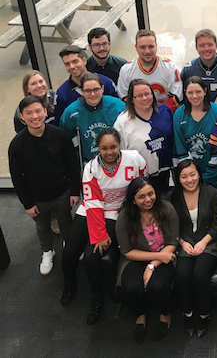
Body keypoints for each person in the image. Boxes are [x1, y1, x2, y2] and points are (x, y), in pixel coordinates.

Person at [60, 128, 147, 326]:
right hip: (93, 208)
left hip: (118, 212)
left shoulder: (134, 159)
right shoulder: (91, 168)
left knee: (92, 255)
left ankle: (97, 297)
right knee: (70, 251)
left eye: (114, 147)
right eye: (104, 148)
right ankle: (70, 283)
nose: (110, 152)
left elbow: (143, 185)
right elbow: (93, 203)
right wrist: (99, 234)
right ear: (98, 148)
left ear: (120, 145)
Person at [8, 95, 80, 275]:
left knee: (65, 221)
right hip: (36, 198)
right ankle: (48, 251)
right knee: (42, 227)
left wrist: (74, 191)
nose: (34, 116)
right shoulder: (17, 145)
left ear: (45, 111)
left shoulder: (60, 135)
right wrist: (27, 204)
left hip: (61, 192)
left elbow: (72, 164)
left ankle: (69, 245)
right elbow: (17, 177)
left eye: (38, 111)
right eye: (28, 113)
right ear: (22, 117)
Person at [116, 177, 178, 344]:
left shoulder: (167, 209)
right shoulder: (124, 217)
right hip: (136, 257)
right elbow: (127, 251)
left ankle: (165, 314)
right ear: (133, 200)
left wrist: (152, 265)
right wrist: (154, 258)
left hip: (165, 256)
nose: (148, 199)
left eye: (150, 194)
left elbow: (173, 242)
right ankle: (140, 315)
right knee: (130, 287)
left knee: (156, 287)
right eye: (141, 196)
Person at [167, 160, 217, 338]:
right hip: (184, 244)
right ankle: (188, 314)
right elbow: (169, 226)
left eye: (193, 174)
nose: (189, 179)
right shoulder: (172, 197)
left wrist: (204, 242)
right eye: (184, 176)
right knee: (182, 275)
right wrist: (181, 242)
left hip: (209, 243)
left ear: (199, 174)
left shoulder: (212, 193)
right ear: (178, 178)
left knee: (200, 274)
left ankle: (204, 315)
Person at [114, 79, 174, 195]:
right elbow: (120, 155)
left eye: (147, 94)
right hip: (139, 178)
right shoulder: (122, 122)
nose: (145, 98)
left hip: (166, 174)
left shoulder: (164, 111)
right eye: (139, 96)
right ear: (131, 98)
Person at [60, 73, 126, 165]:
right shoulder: (71, 112)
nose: (92, 94)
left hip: (118, 159)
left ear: (102, 89)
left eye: (96, 89)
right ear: (81, 91)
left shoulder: (118, 105)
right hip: (89, 163)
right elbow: (65, 140)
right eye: (87, 91)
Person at [173, 76, 217, 187]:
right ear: (185, 93)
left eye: (198, 92)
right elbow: (179, 146)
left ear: (205, 91)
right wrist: (190, 176)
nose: (194, 96)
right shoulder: (179, 114)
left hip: (213, 173)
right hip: (188, 178)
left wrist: (207, 177)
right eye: (190, 92)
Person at [118, 30, 183, 112]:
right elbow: (124, 98)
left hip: (164, 117)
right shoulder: (126, 70)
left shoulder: (170, 67)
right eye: (142, 47)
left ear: (156, 46)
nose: (147, 51)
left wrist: (162, 114)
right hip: (138, 118)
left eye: (151, 46)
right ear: (136, 47)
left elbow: (177, 97)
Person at [54, 45, 118, 122]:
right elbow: (61, 123)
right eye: (67, 64)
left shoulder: (107, 83)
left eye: (75, 61)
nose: (72, 66)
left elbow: (118, 109)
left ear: (84, 61)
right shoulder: (62, 93)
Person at [181, 29, 217, 107]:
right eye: (201, 45)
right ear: (196, 47)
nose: (206, 49)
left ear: (216, 45)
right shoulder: (188, 70)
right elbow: (183, 99)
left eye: (210, 44)